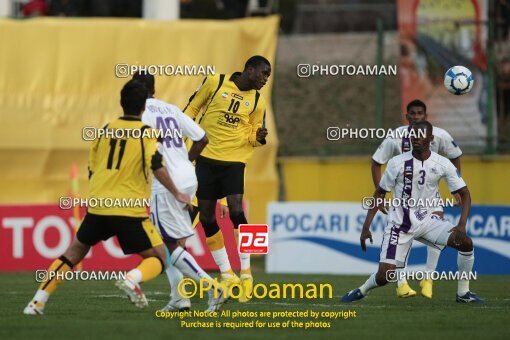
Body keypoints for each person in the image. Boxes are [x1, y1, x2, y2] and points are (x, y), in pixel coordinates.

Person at [23, 79, 182, 315]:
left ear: (121, 103)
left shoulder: (104, 130)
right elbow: (156, 164)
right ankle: (131, 279)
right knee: (160, 258)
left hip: (98, 206)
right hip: (129, 209)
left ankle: (36, 303)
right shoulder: (147, 134)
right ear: (144, 107)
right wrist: (178, 193)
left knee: (73, 253)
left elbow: (92, 169)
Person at [342, 121, 483, 304]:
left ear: (430, 139)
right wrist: (366, 227)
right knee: (385, 276)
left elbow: (465, 194)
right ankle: (362, 289)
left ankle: (463, 293)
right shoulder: (396, 163)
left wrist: (462, 224)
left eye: (420, 135)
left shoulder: (442, 163)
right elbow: (380, 193)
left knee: (465, 242)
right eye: (413, 135)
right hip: (399, 226)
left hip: (428, 222)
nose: (415, 138)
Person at [134, 72, 227, 312]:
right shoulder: (172, 110)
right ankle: (179, 298)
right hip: (189, 177)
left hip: (166, 182)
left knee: (166, 245)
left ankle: (212, 289)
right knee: (176, 243)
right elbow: (203, 138)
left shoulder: (141, 114)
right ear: (154, 88)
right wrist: (185, 161)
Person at [183, 55, 271, 302]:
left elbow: (253, 138)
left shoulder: (257, 101)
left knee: (236, 212)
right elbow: (190, 109)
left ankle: (247, 272)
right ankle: (226, 273)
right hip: (206, 158)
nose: (265, 79)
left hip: (234, 161)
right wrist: (178, 139)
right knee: (208, 217)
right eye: (264, 74)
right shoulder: (215, 82)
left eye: (268, 76)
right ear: (250, 69)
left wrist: (260, 136)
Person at [371, 99, 462, 299]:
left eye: (420, 113)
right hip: (404, 197)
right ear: (407, 116)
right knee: (404, 237)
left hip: (430, 196)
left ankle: (428, 277)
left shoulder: (440, 135)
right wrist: (380, 193)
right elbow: (377, 162)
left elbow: (454, 156)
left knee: (437, 232)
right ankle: (401, 283)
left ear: (425, 116)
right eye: (412, 113)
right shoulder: (396, 136)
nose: (416, 117)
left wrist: (455, 187)